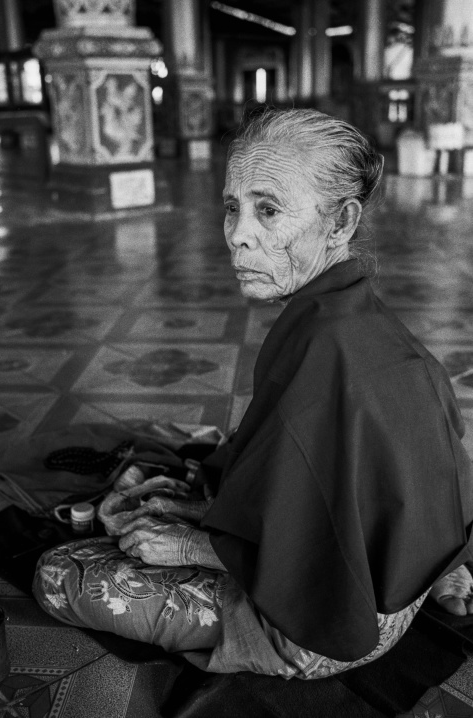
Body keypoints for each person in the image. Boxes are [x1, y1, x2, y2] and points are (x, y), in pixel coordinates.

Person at [33, 109, 473, 680]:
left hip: (334, 623)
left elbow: (322, 558)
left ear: (340, 222)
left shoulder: (326, 349)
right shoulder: (351, 316)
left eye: (268, 210)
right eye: (232, 207)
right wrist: (204, 511)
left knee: (58, 574)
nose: (239, 233)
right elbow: (336, 485)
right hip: (408, 570)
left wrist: (194, 546)